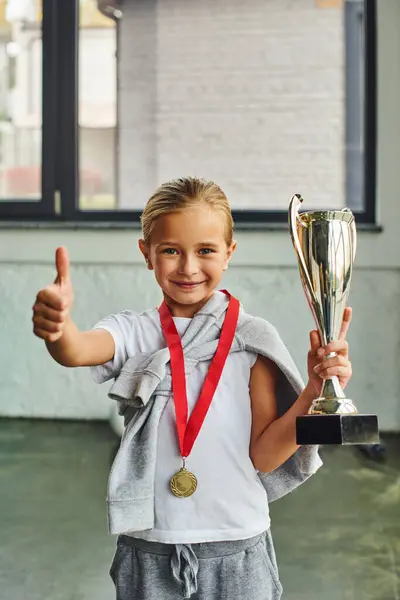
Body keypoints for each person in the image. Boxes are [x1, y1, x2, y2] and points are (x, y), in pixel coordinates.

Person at [32, 177, 353, 600]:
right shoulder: (135, 331)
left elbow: (265, 455)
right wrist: (58, 329)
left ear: (229, 253)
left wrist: (314, 390)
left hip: (238, 543)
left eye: (205, 250)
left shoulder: (250, 338)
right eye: (170, 250)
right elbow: (77, 350)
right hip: (151, 546)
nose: (187, 267)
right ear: (146, 253)